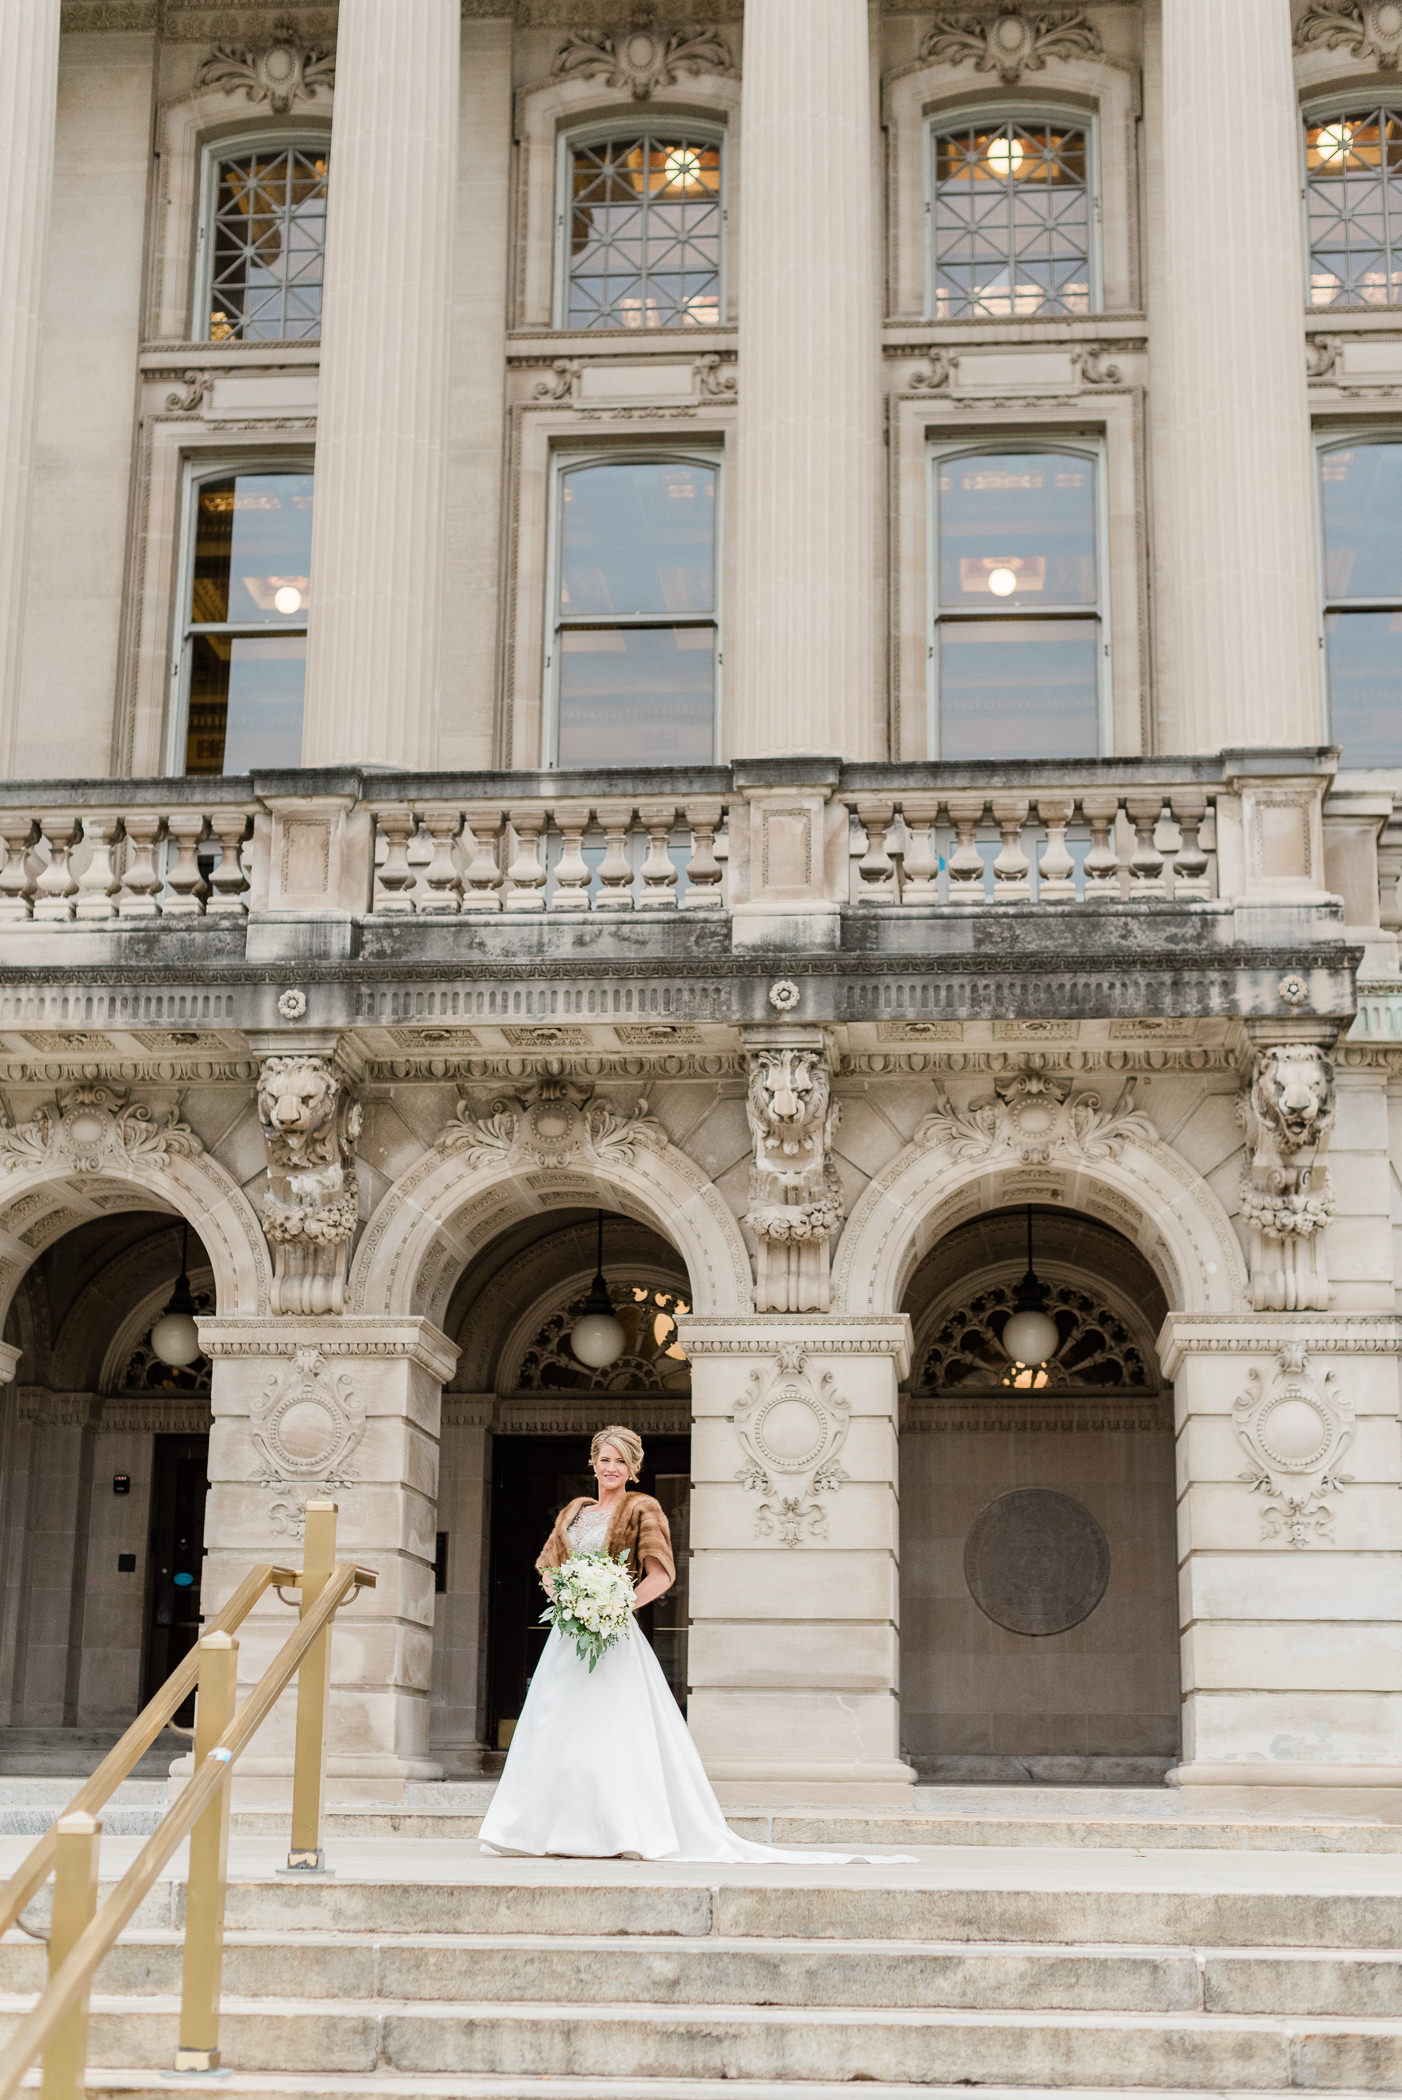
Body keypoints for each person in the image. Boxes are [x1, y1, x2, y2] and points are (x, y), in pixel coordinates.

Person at [479, 1425, 913, 1863]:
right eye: (605, 1459)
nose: (611, 1468)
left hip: (613, 1631)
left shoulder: (642, 1508)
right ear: (592, 1463)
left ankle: (617, 1829)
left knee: (612, 1727)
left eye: (621, 1461)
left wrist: (612, 1606)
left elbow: (662, 1574)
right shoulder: (575, 1510)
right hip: (569, 1635)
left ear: (634, 1468)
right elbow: (549, 1565)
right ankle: (543, 1828)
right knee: (556, 1723)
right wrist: (569, 1601)